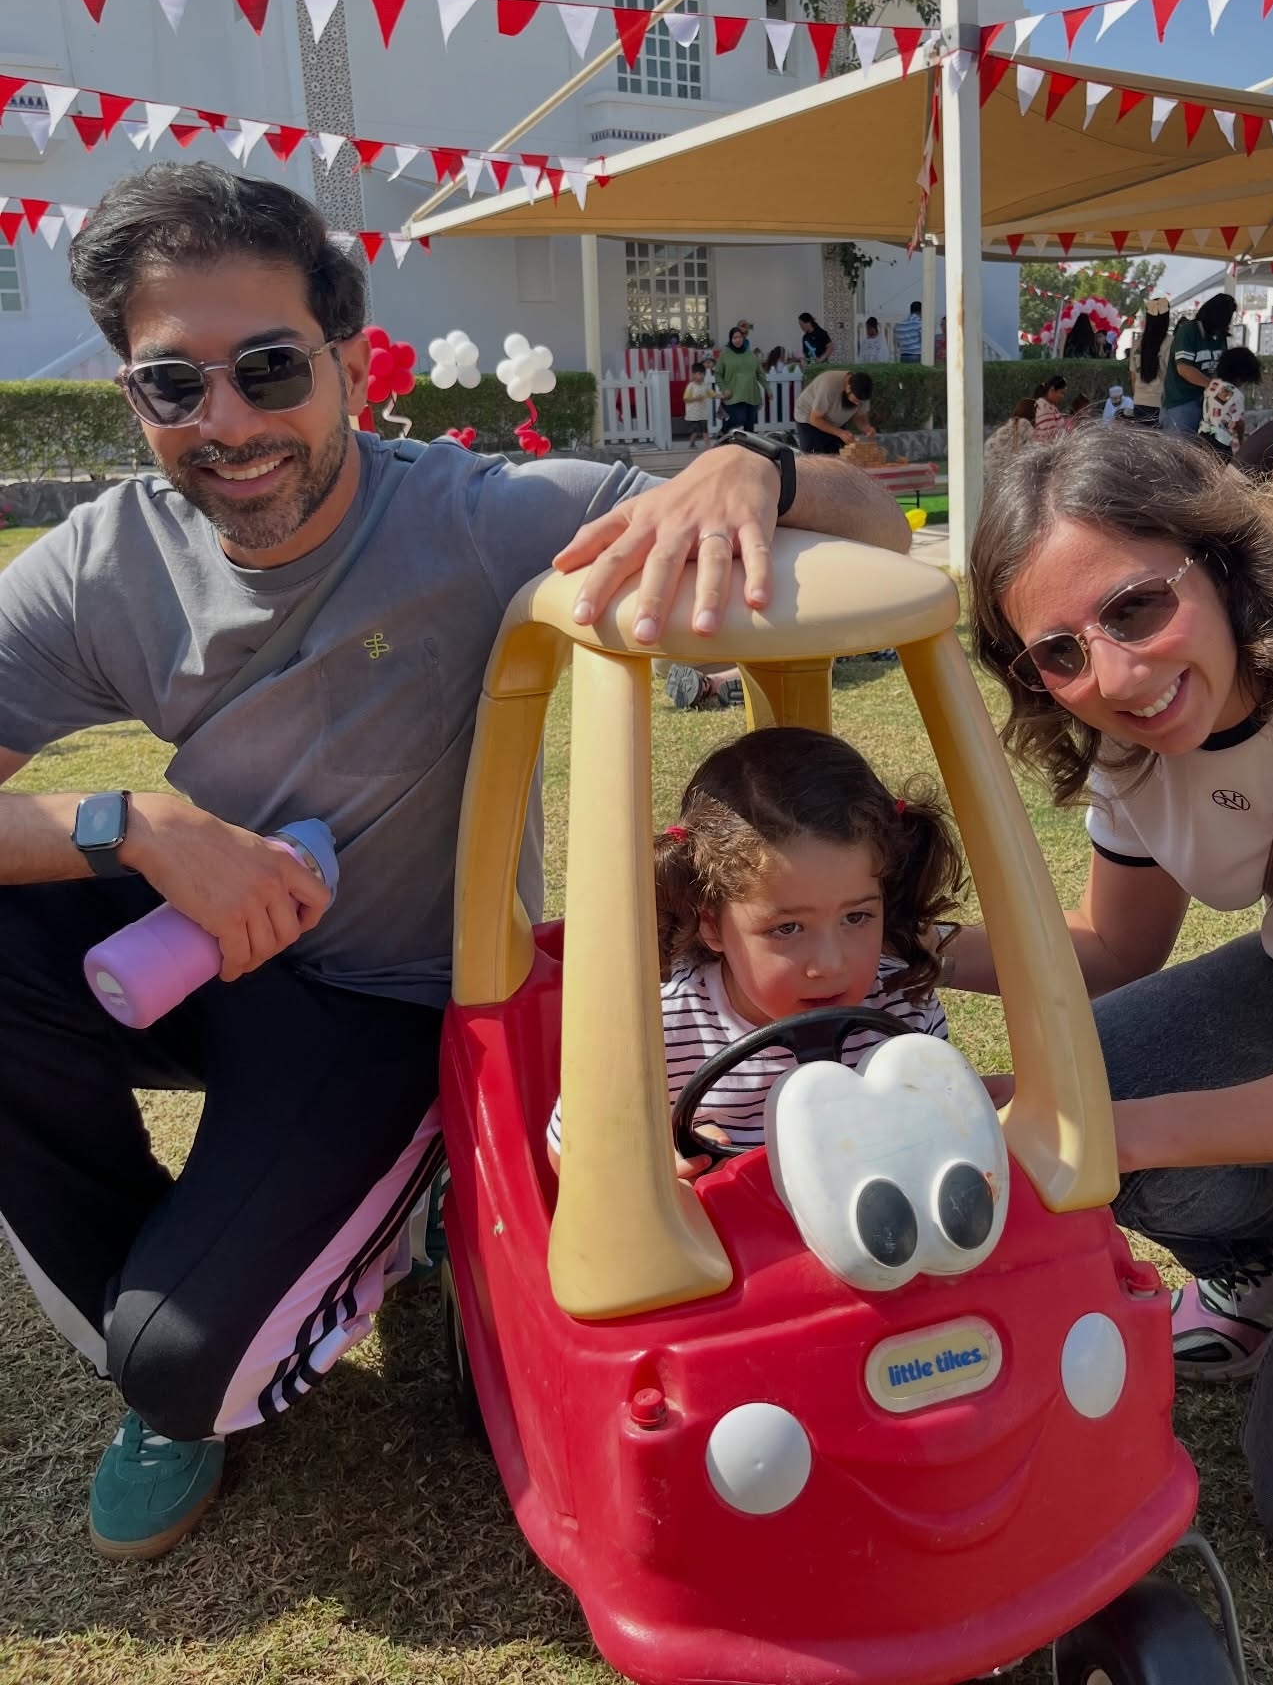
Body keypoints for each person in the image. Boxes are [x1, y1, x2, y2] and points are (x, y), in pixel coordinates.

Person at [0, 163, 911, 1562]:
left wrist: (754, 463)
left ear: (350, 363)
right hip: (195, 942)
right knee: (157, 1349)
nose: (227, 423)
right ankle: (160, 1324)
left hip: (390, 1003)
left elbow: (876, 526)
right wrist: (133, 823)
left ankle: (301, 1269)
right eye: (174, 385)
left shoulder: (485, 519)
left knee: (191, 1357)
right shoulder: (100, 564)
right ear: (132, 395)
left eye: (267, 367)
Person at [955, 424, 1273, 1584]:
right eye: (1056, 655)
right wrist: (884, 941)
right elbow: (1112, 949)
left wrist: (1109, 1133)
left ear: (1224, 559)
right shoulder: (1127, 740)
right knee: (1081, 1080)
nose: (1112, 678)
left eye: (1135, 609)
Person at [545, 727, 965, 1174]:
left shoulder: (902, 1003)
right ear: (712, 924)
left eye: (856, 917)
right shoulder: (660, 1029)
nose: (830, 963)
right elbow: (566, 1151)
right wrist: (651, 1156)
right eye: (787, 928)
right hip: (718, 1239)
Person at [1160, 293, 1237, 435]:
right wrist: (1214, 386)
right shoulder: (1188, 331)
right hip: (1182, 403)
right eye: (1227, 318)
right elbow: (1184, 368)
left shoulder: (1219, 336)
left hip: (1207, 404)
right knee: (1179, 453)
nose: (1228, 323)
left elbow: (1221, 369)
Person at [794, 367, 876, 455]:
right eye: (856, 400)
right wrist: (840, 433)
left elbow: (859, 415)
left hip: (835, 419)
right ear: (848, 387)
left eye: (860, 402)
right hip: (809, 419)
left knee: (838, 455)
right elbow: (815, 419)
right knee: (816, 457)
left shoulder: (862, 392)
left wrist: (866, 428)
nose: (857, 404)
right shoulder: (829, 385)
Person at [1198, 345, 1263, 457]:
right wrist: (1241, 439)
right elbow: (1237, 423)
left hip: (1203, 436)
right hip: (1222, 443)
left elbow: (1218, 407)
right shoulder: (1236, 394)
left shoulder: (1213, 385)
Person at [712, 325, 770, 434]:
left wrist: (768, 389)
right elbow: (718, 374)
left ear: (743, 339)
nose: (737, 340)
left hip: (751, 394)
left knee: (750, 424)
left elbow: (760, 374)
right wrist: (724, 389)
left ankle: (748, 448)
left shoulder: (751, 355)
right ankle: (724, 430)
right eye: (734, 337)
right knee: (739, 418)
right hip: (734, 395)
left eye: (739, 337)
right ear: (731, 339)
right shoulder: (725, 355)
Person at [1129, 296, 1172, 429]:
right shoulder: (1171, 342)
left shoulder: (1137, 344)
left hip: (1139, 401)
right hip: (1161, 403)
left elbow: (1133, 377)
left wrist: (1138, 397)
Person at [682, 360, 713, 450]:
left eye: (703, 374)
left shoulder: (705, 386)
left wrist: (722, 396)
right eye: (699, 374)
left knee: (705, 431)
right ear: (693, 375)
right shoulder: (691, 386)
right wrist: (696, 398)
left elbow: (712, 394)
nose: (701, 376)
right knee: (695, 431)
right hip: (693, 414)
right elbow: (685, 399)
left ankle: (708, 447)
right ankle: (691, 443)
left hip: (702, 413)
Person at [1032, 373, 1068, 440]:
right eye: (1061, 393)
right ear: (1052, 389)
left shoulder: (1049, 406)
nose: (1063, 396)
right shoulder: (1044, 408)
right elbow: (1049, 438)